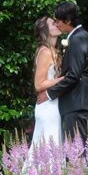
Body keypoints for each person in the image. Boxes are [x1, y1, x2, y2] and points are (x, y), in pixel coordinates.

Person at [40, 1, 88, 144]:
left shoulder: (78, 39)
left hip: (76, 101)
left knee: (76, 149)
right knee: (76, 148)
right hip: (76, 101)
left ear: (68, 21)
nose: (57, 24)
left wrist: (49, 93)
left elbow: (73, 75)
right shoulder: (79, 36)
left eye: (58, 21)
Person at [29, 17, 64, 151]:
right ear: (44, 30)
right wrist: (62, 79)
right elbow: (38, 84)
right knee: (48, 149)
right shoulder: (45, 51)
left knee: (54, 148)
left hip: (55, 104)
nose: (57, 24)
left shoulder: (54, 51)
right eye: (52, 23)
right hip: (48, 107)